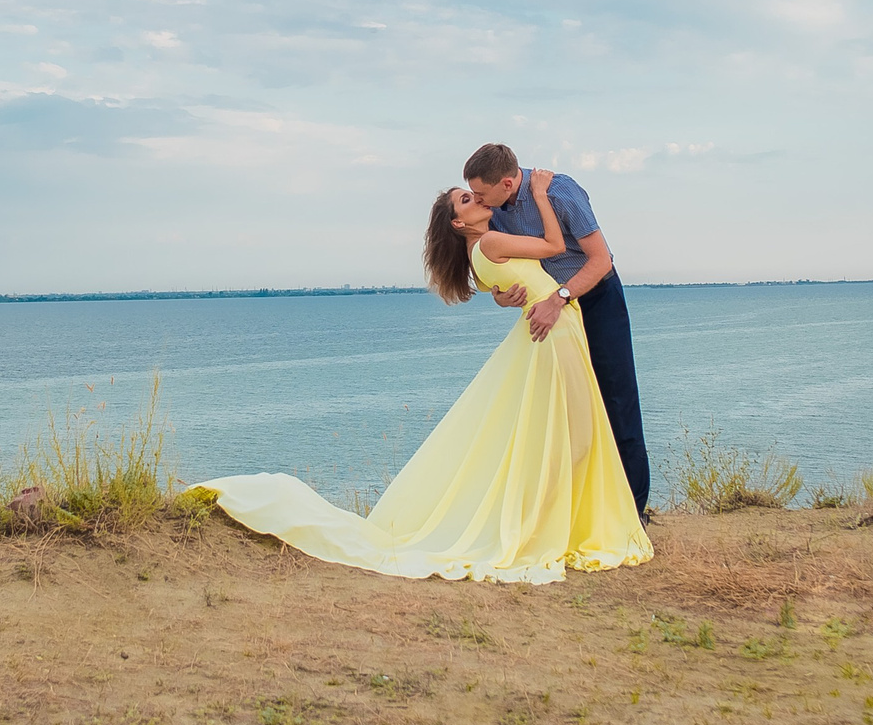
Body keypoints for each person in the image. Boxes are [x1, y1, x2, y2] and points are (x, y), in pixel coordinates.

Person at [196, 170, 652, 583]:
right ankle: (552, 525)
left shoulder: (489, 239)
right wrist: (538, 196)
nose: (475, 199)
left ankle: (574, 520)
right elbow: (552, 249)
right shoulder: (491, 239)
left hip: (561, 322)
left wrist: (508, 295)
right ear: (459, 223)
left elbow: (514, 282)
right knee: (573, 437)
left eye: (475, 194)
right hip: (553, 331)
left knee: (577, 432)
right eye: (467, 200)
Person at [465, 144, 650, 518]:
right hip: (554, 317)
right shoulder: (495, 211)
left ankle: (633, 514)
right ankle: (574, 513)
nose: (480, 202)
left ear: (505, 182)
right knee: (563, 413)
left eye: (482, 194)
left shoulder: (560, 191)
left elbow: (601, 261)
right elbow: (491, 265)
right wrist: (499, 296)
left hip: (596, 301)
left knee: (618, 404)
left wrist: (560, 298)